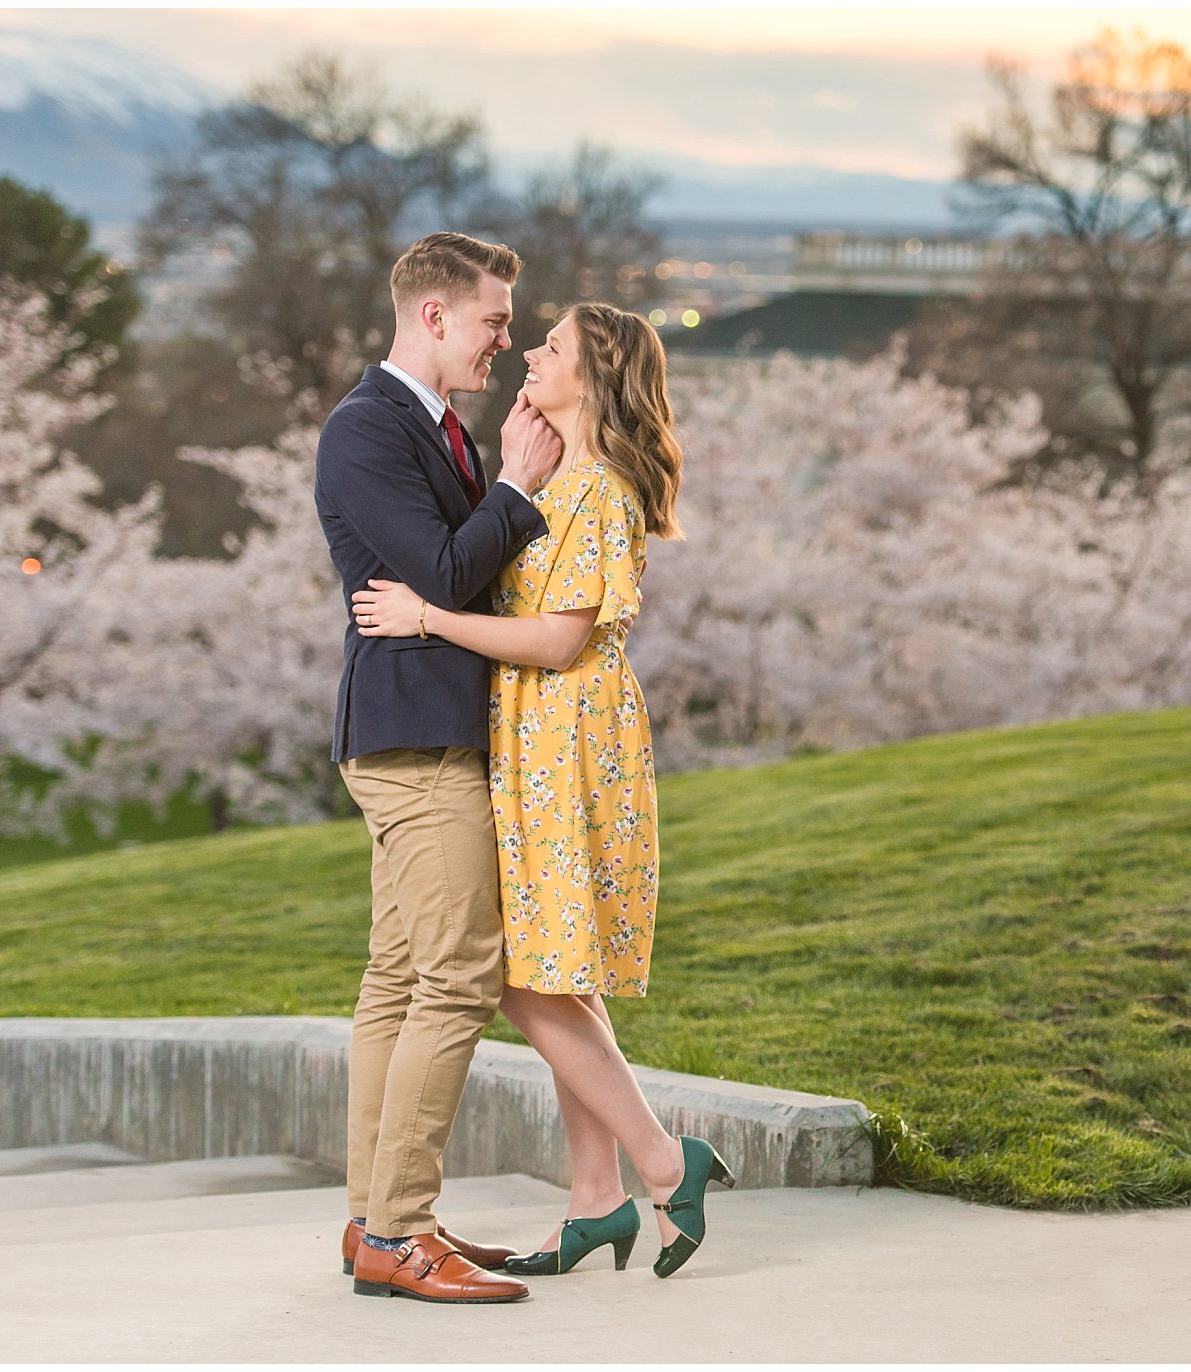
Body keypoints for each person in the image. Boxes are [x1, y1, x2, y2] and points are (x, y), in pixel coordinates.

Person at [352, 302, 733, 1280]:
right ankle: (595, 1197)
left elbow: (560, 640)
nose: (528, 352)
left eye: (551, 345)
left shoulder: (597, 490)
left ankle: (659, 1157)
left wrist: (424, 616)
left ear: (594, 379)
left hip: (567, 741)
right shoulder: (556, 475)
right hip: (531, 736)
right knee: (555, 970)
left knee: (527, 977)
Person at [314, 231, 565, 1305]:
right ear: (431, 315)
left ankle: (377, 1219)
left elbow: (453, 583)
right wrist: (515, 481)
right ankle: (399, 1231)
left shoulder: (441, 428)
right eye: (493, 321)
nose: (505, 343)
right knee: (459, 974)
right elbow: (452, 572)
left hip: (426, 728)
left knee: (401, 979)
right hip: (411, 741)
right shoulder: (365, 432)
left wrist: (495, 477)